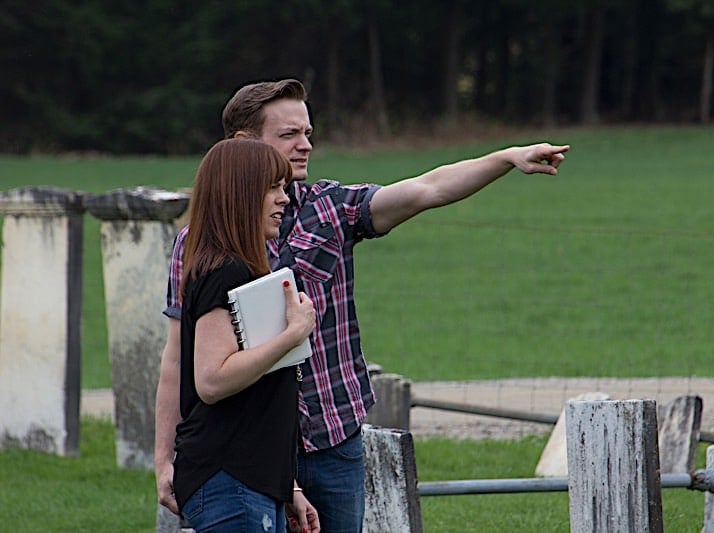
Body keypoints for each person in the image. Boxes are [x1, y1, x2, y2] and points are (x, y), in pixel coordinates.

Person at [155, 78, 569, 532]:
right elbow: (179, 357)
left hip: (334, 441)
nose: (305, 145)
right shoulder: (200, 245)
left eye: (308, 133)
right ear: (243, 144)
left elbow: (427, 189)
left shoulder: (332, 208)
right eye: (289, 135)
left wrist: (506, 158)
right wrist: (163, 459)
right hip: (249, 450)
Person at [171, 137, 319, 533]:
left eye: (283, 187)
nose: (284, 199)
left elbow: (256, 402)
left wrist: (287, 486)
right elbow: (213, 380)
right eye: (273, 188)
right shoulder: (226, 271)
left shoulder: (239, 271)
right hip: (230, 481)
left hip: (249, 481)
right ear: (242, 194)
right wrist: (293, 334)